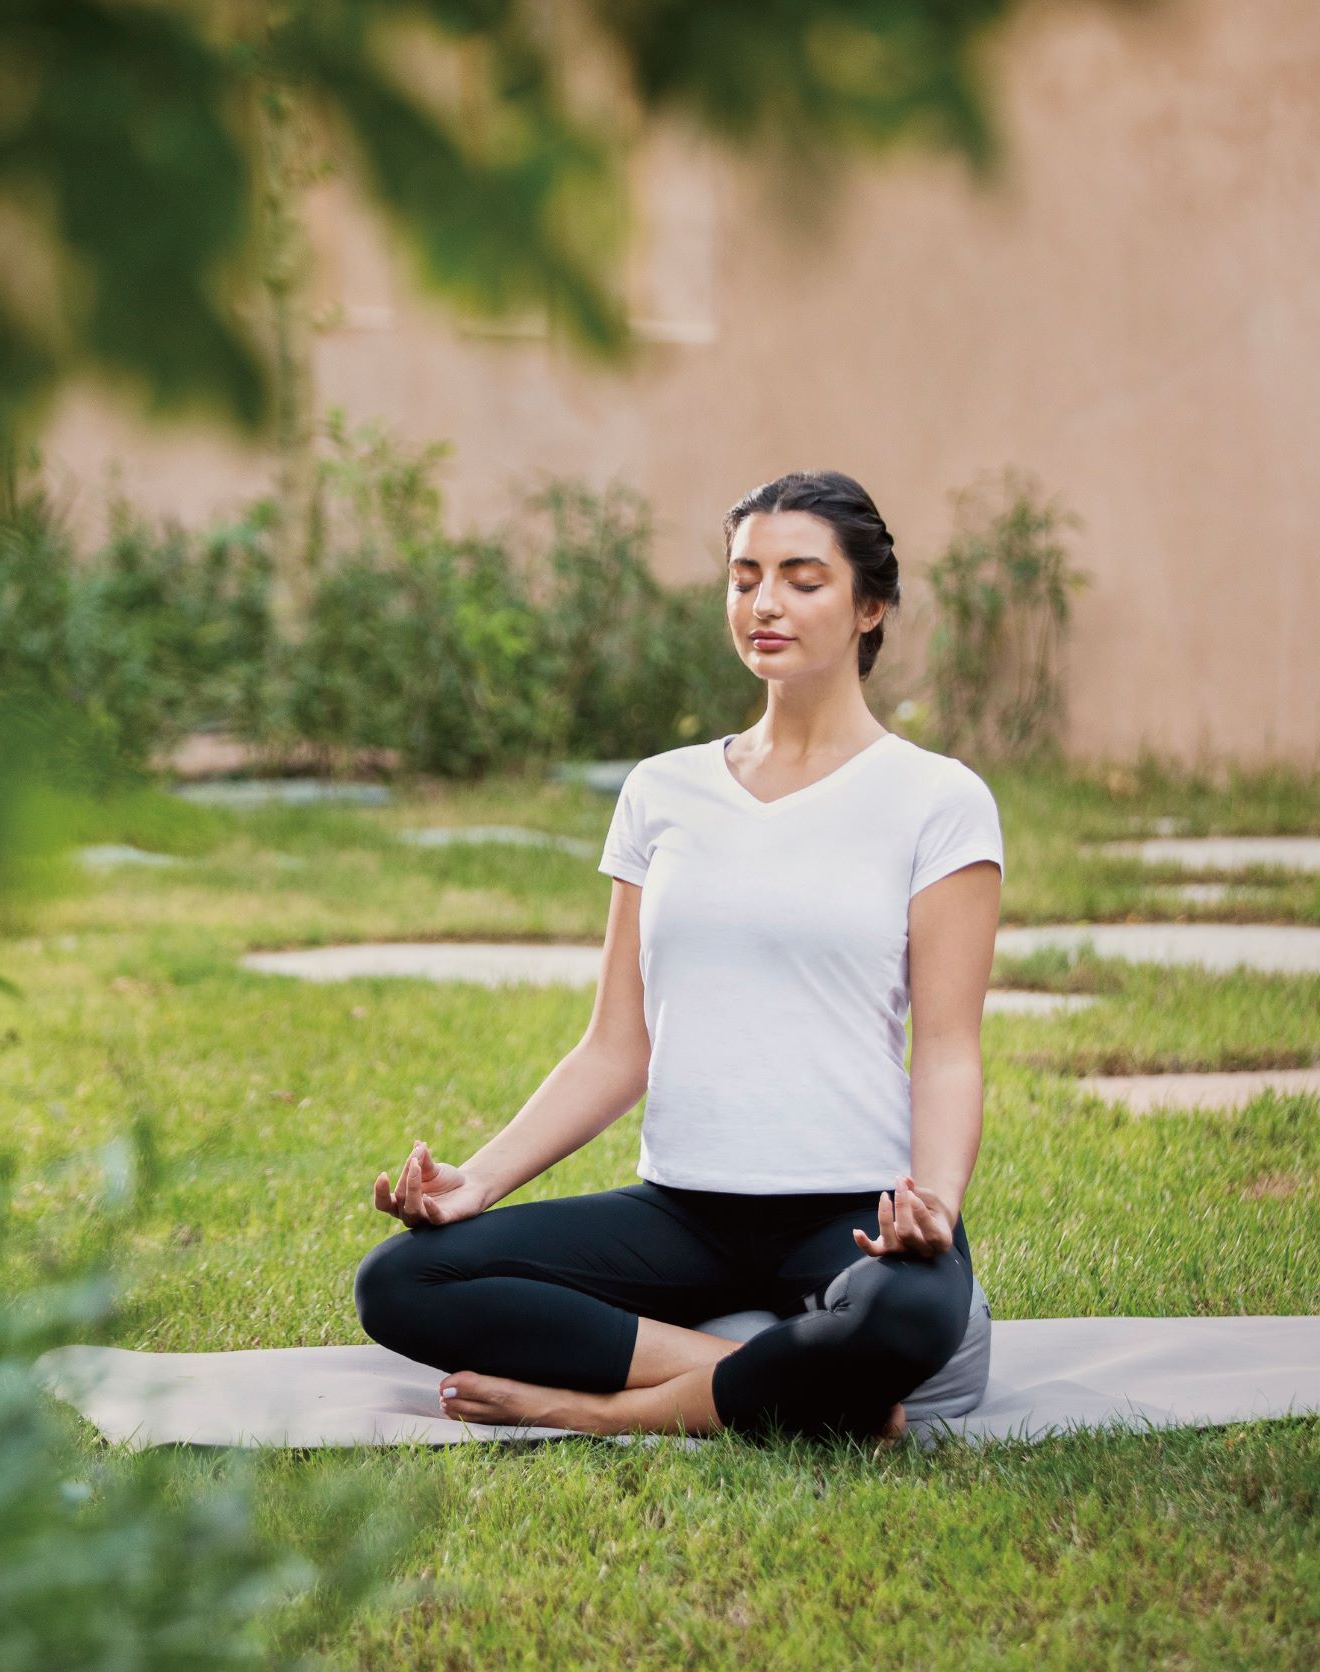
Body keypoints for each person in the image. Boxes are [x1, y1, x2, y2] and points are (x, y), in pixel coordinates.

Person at [352, 468, 1005, 1446]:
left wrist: (936, 1209)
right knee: (401, 1281)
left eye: (801, 578)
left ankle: (596, 1408)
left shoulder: (938, 800)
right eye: (744, 577)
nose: (765, 603)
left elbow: (949, 1050)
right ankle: (801, 1387)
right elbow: (617, 1047)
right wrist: (476, 1182)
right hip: (681, 1215)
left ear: (871, 606)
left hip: (852, 1212)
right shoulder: (662, 792)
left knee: (904, 1316)